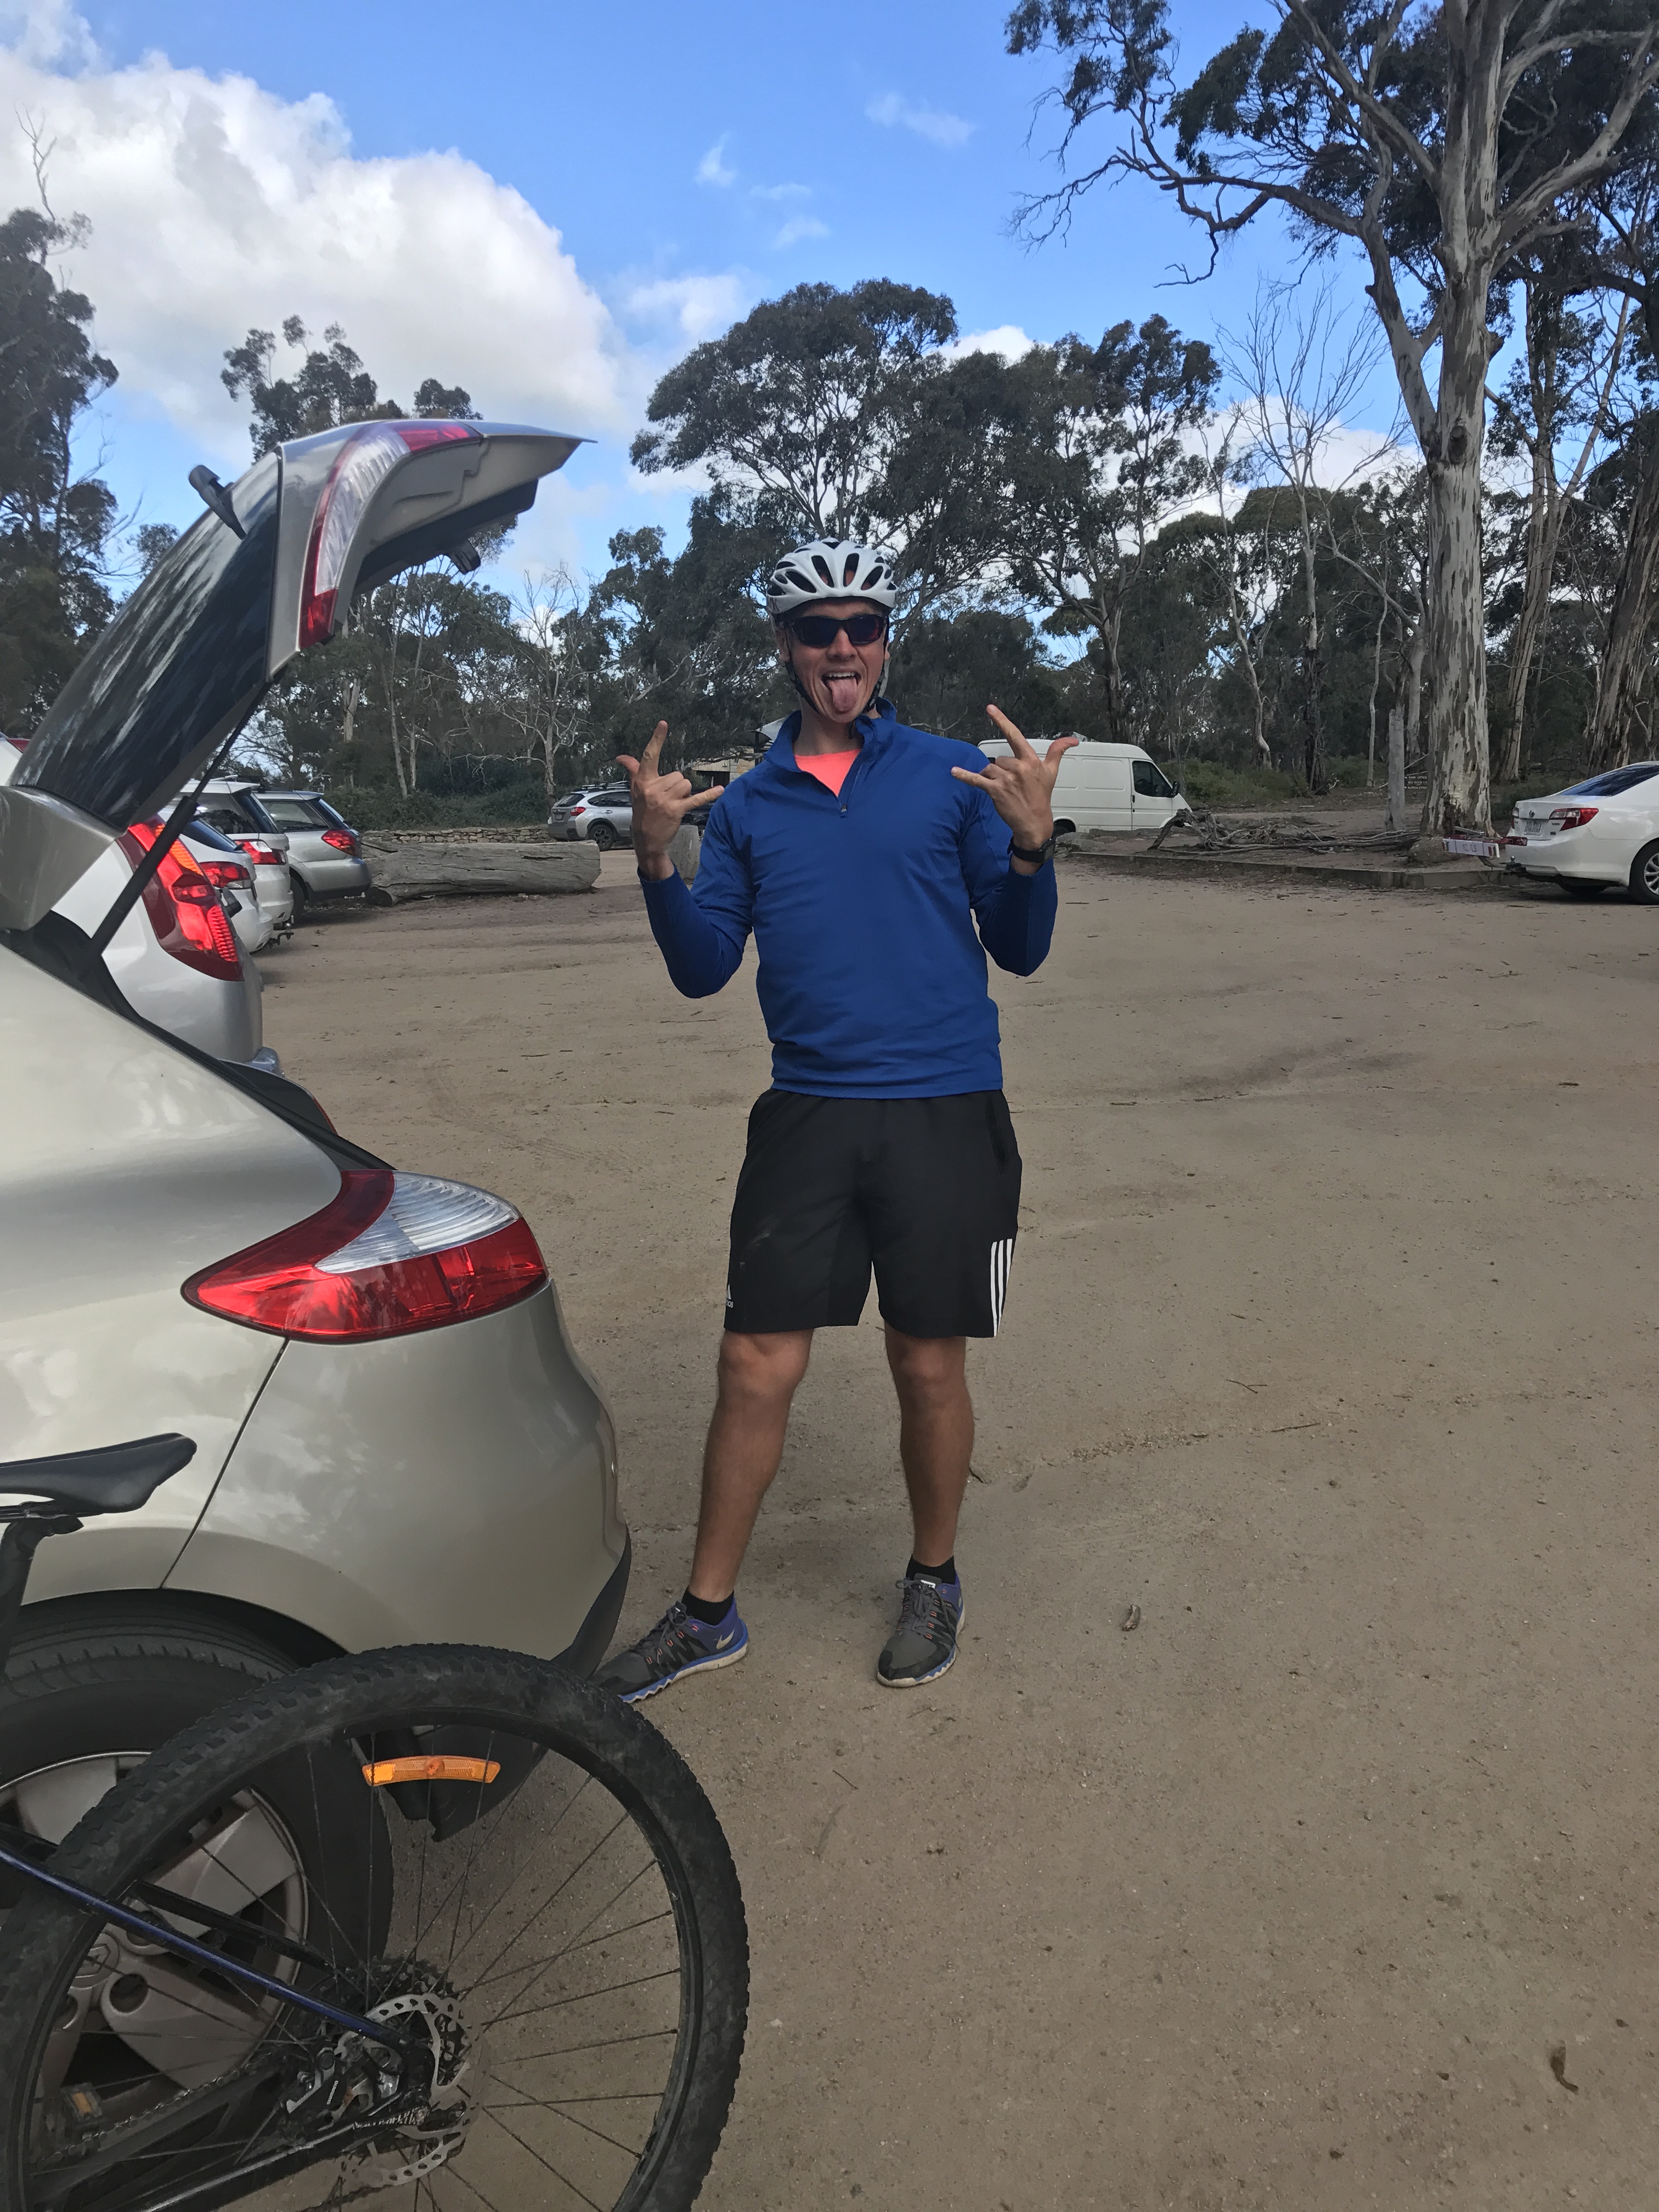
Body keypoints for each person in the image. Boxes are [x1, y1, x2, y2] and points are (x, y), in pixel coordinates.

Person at [596, 538, 1075, 1702]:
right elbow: (704, 969)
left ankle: (935, 1579)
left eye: (864, 626)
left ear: (886, 642)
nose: (844, 647)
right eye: (820, 630)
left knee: (927, 1362)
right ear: (788, 648)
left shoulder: (952, 774)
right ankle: (708, 1615)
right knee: (753, 1363)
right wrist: (657, 863)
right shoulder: (748, 803)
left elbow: (1020, 948)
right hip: (809, 1112)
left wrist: (1030, 845)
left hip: (946, 1107)